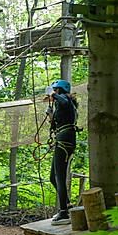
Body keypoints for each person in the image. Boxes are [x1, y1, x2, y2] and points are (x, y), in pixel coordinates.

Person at [46, 79, 78, 226]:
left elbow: (64, 102)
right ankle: (67, 205)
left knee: (59, 175)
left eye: (55, 91)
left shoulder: (65, 100)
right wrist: (51, 116)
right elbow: (57, 124)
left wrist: (52, 94)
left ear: (59, 90)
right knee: (53, 177)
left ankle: (64, 212)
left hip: (65, 140)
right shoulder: (63, 105)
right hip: (62, 139)